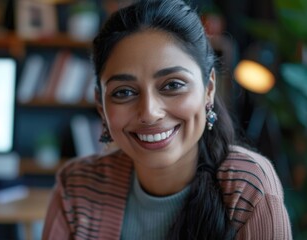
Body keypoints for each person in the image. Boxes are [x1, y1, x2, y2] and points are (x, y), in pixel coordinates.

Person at [42, 0, 292, 239]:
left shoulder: (248, 189)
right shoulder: (76, 187)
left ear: (209, 89)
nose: (150, 112)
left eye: (172, 85)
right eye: (124, 92)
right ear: (100, 104)